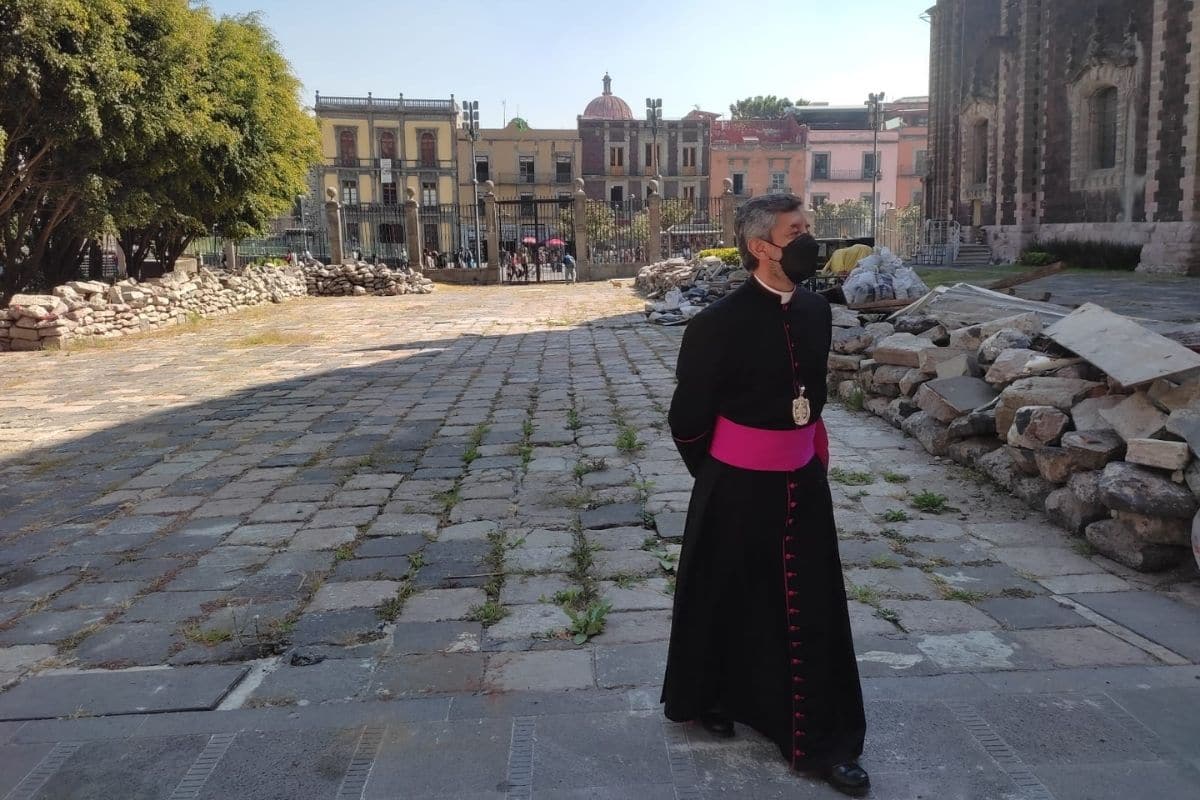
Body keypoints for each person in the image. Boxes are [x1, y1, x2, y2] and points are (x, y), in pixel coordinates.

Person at [661, 193, 869, 797]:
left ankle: (823, 740)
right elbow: (688, 420)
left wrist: (795, 455)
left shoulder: (815, 311)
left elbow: (815, 399)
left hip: (802, 479)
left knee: (813, 606)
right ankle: (717, 695)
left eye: (809, 228)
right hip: (735, 484)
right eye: (794, 231)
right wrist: (731, 469)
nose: (809, 239)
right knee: (729, 593)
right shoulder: (714, 325)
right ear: (760, 247)